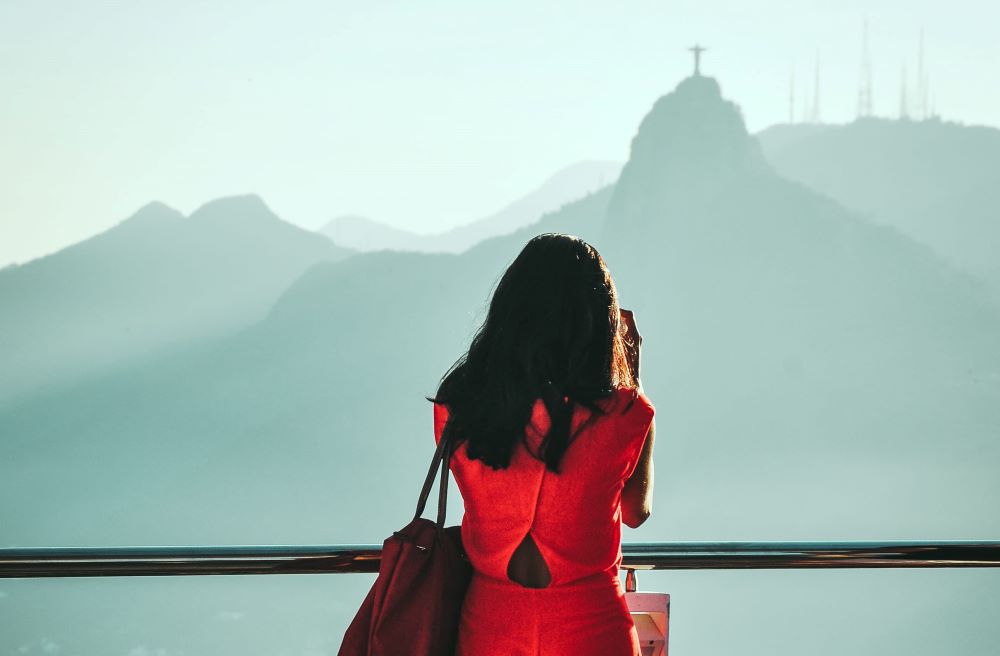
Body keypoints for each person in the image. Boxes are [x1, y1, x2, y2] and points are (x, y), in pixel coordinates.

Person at [426, 233, 656, 655]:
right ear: (596, 321)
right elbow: (636, 512)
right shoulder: (625, 414)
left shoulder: (459, 409)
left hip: (490, 628)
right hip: (592, 630)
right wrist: (631, 381)